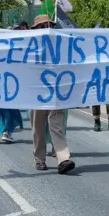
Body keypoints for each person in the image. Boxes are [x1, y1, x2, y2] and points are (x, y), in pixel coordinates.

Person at [30, 14, 75, 174]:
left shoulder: (60, 44)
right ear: (35, 29)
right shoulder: (30, 46)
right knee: (38, 128)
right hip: (37, 93)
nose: (46, 28)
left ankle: (63, 159)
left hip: (56, 92)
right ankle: (40, 159)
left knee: (57, 126)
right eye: (42, 26)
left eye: (49, 25)